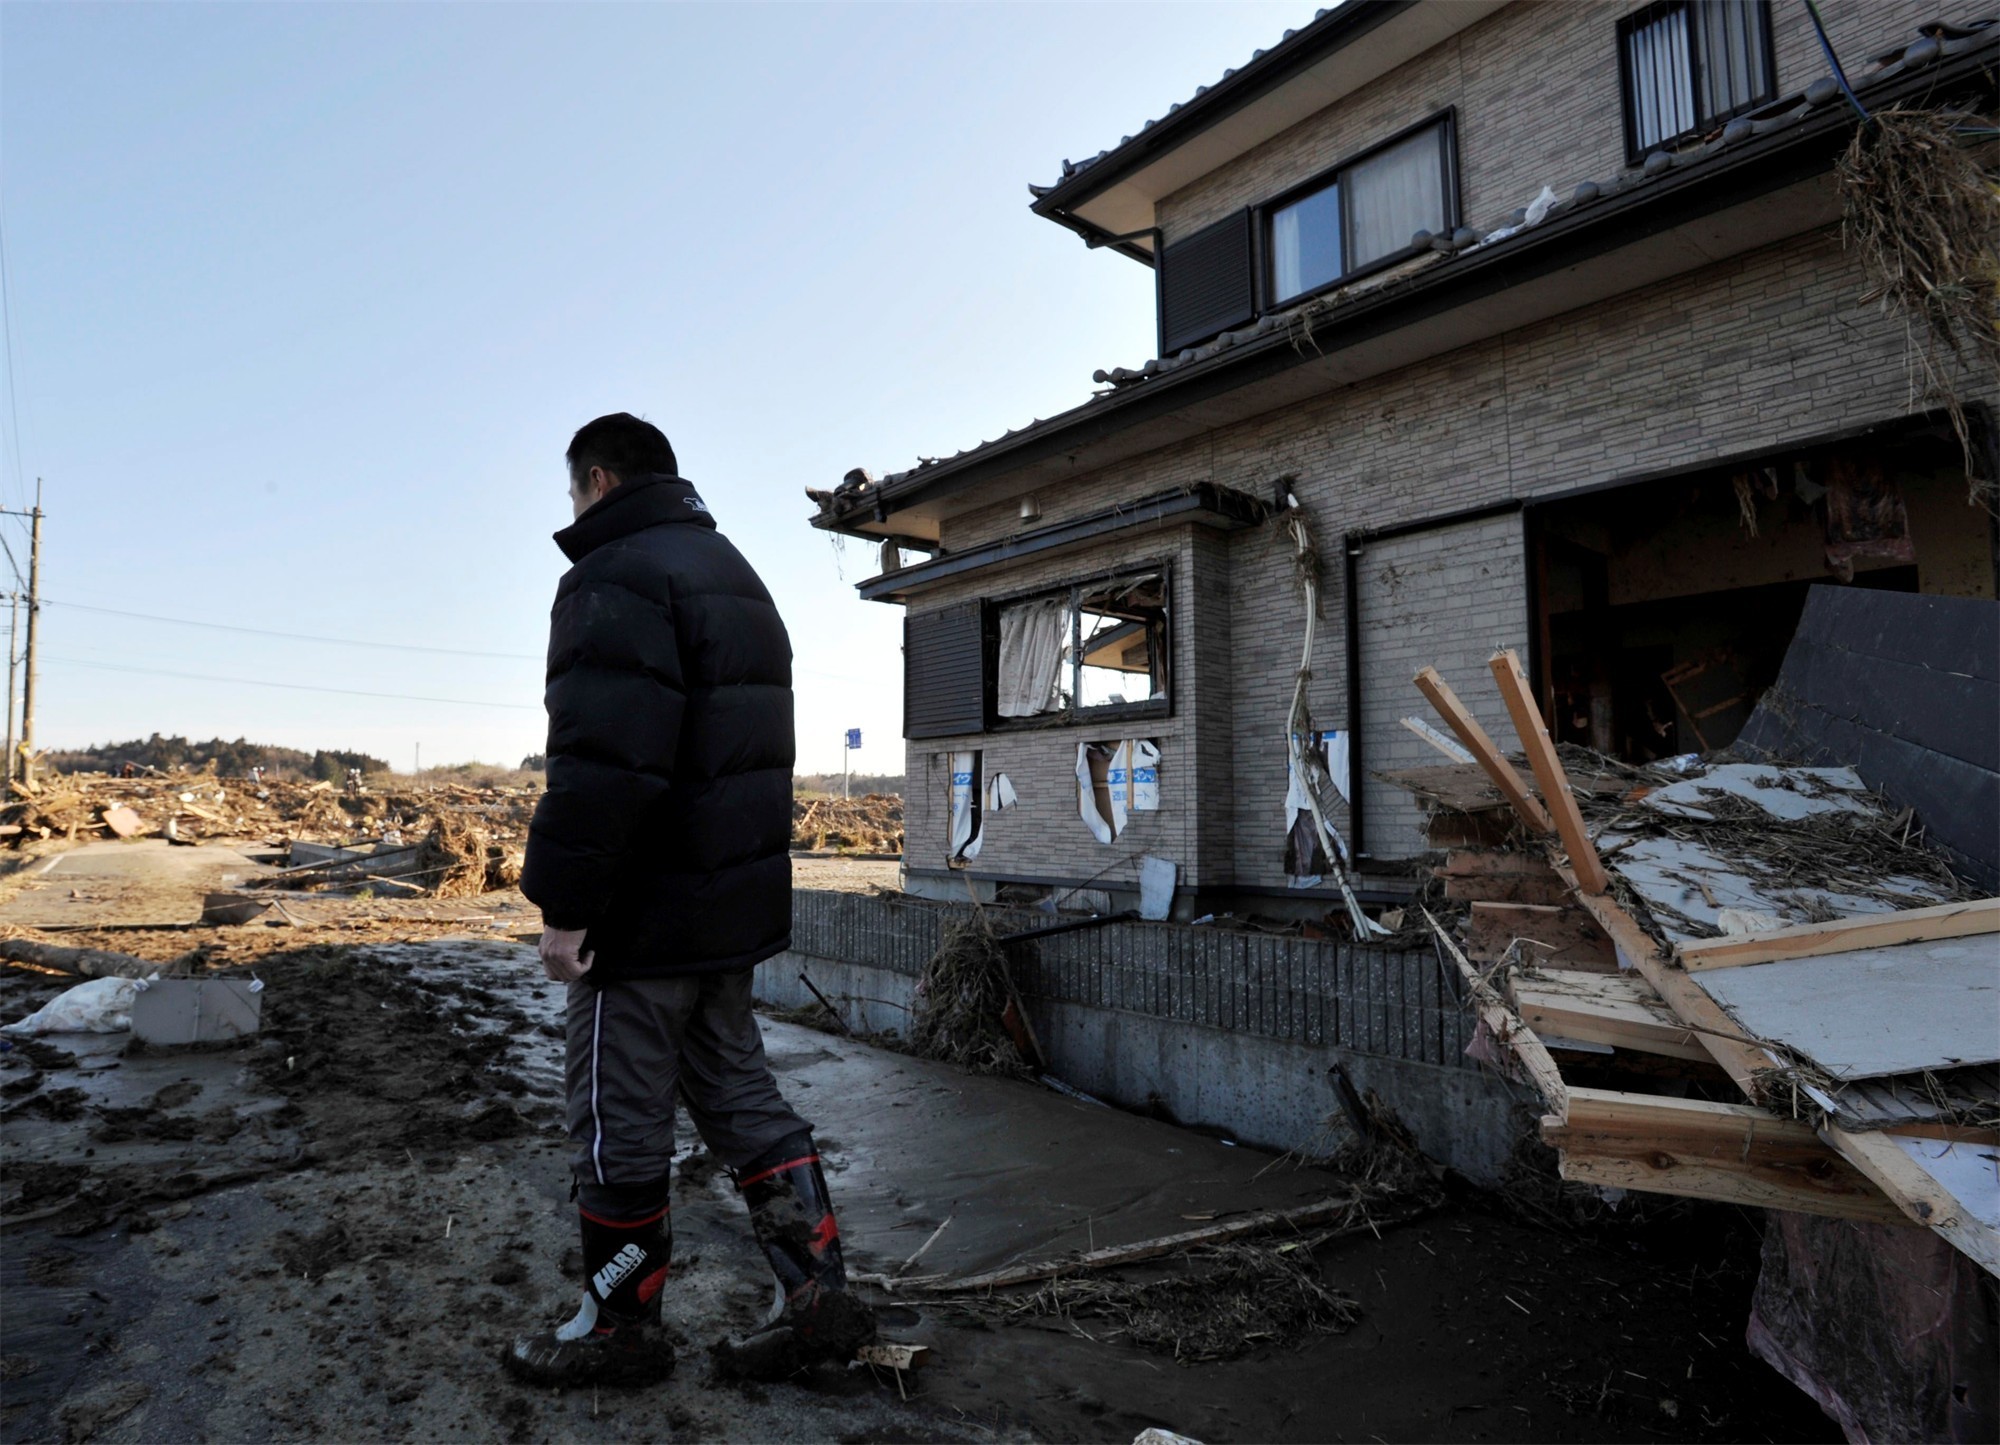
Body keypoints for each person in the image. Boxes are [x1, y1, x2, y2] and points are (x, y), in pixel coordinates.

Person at [503, 413, 871, 1389]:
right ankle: (819, 1301)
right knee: (742, 1097)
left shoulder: (613, 573)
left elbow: (605, 759)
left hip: (643, 918)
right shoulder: (734, 574)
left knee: (612, 1116)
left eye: (572, 491)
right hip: (725, 915)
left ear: (594, 478)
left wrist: (566, 905)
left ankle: (621, 1330)